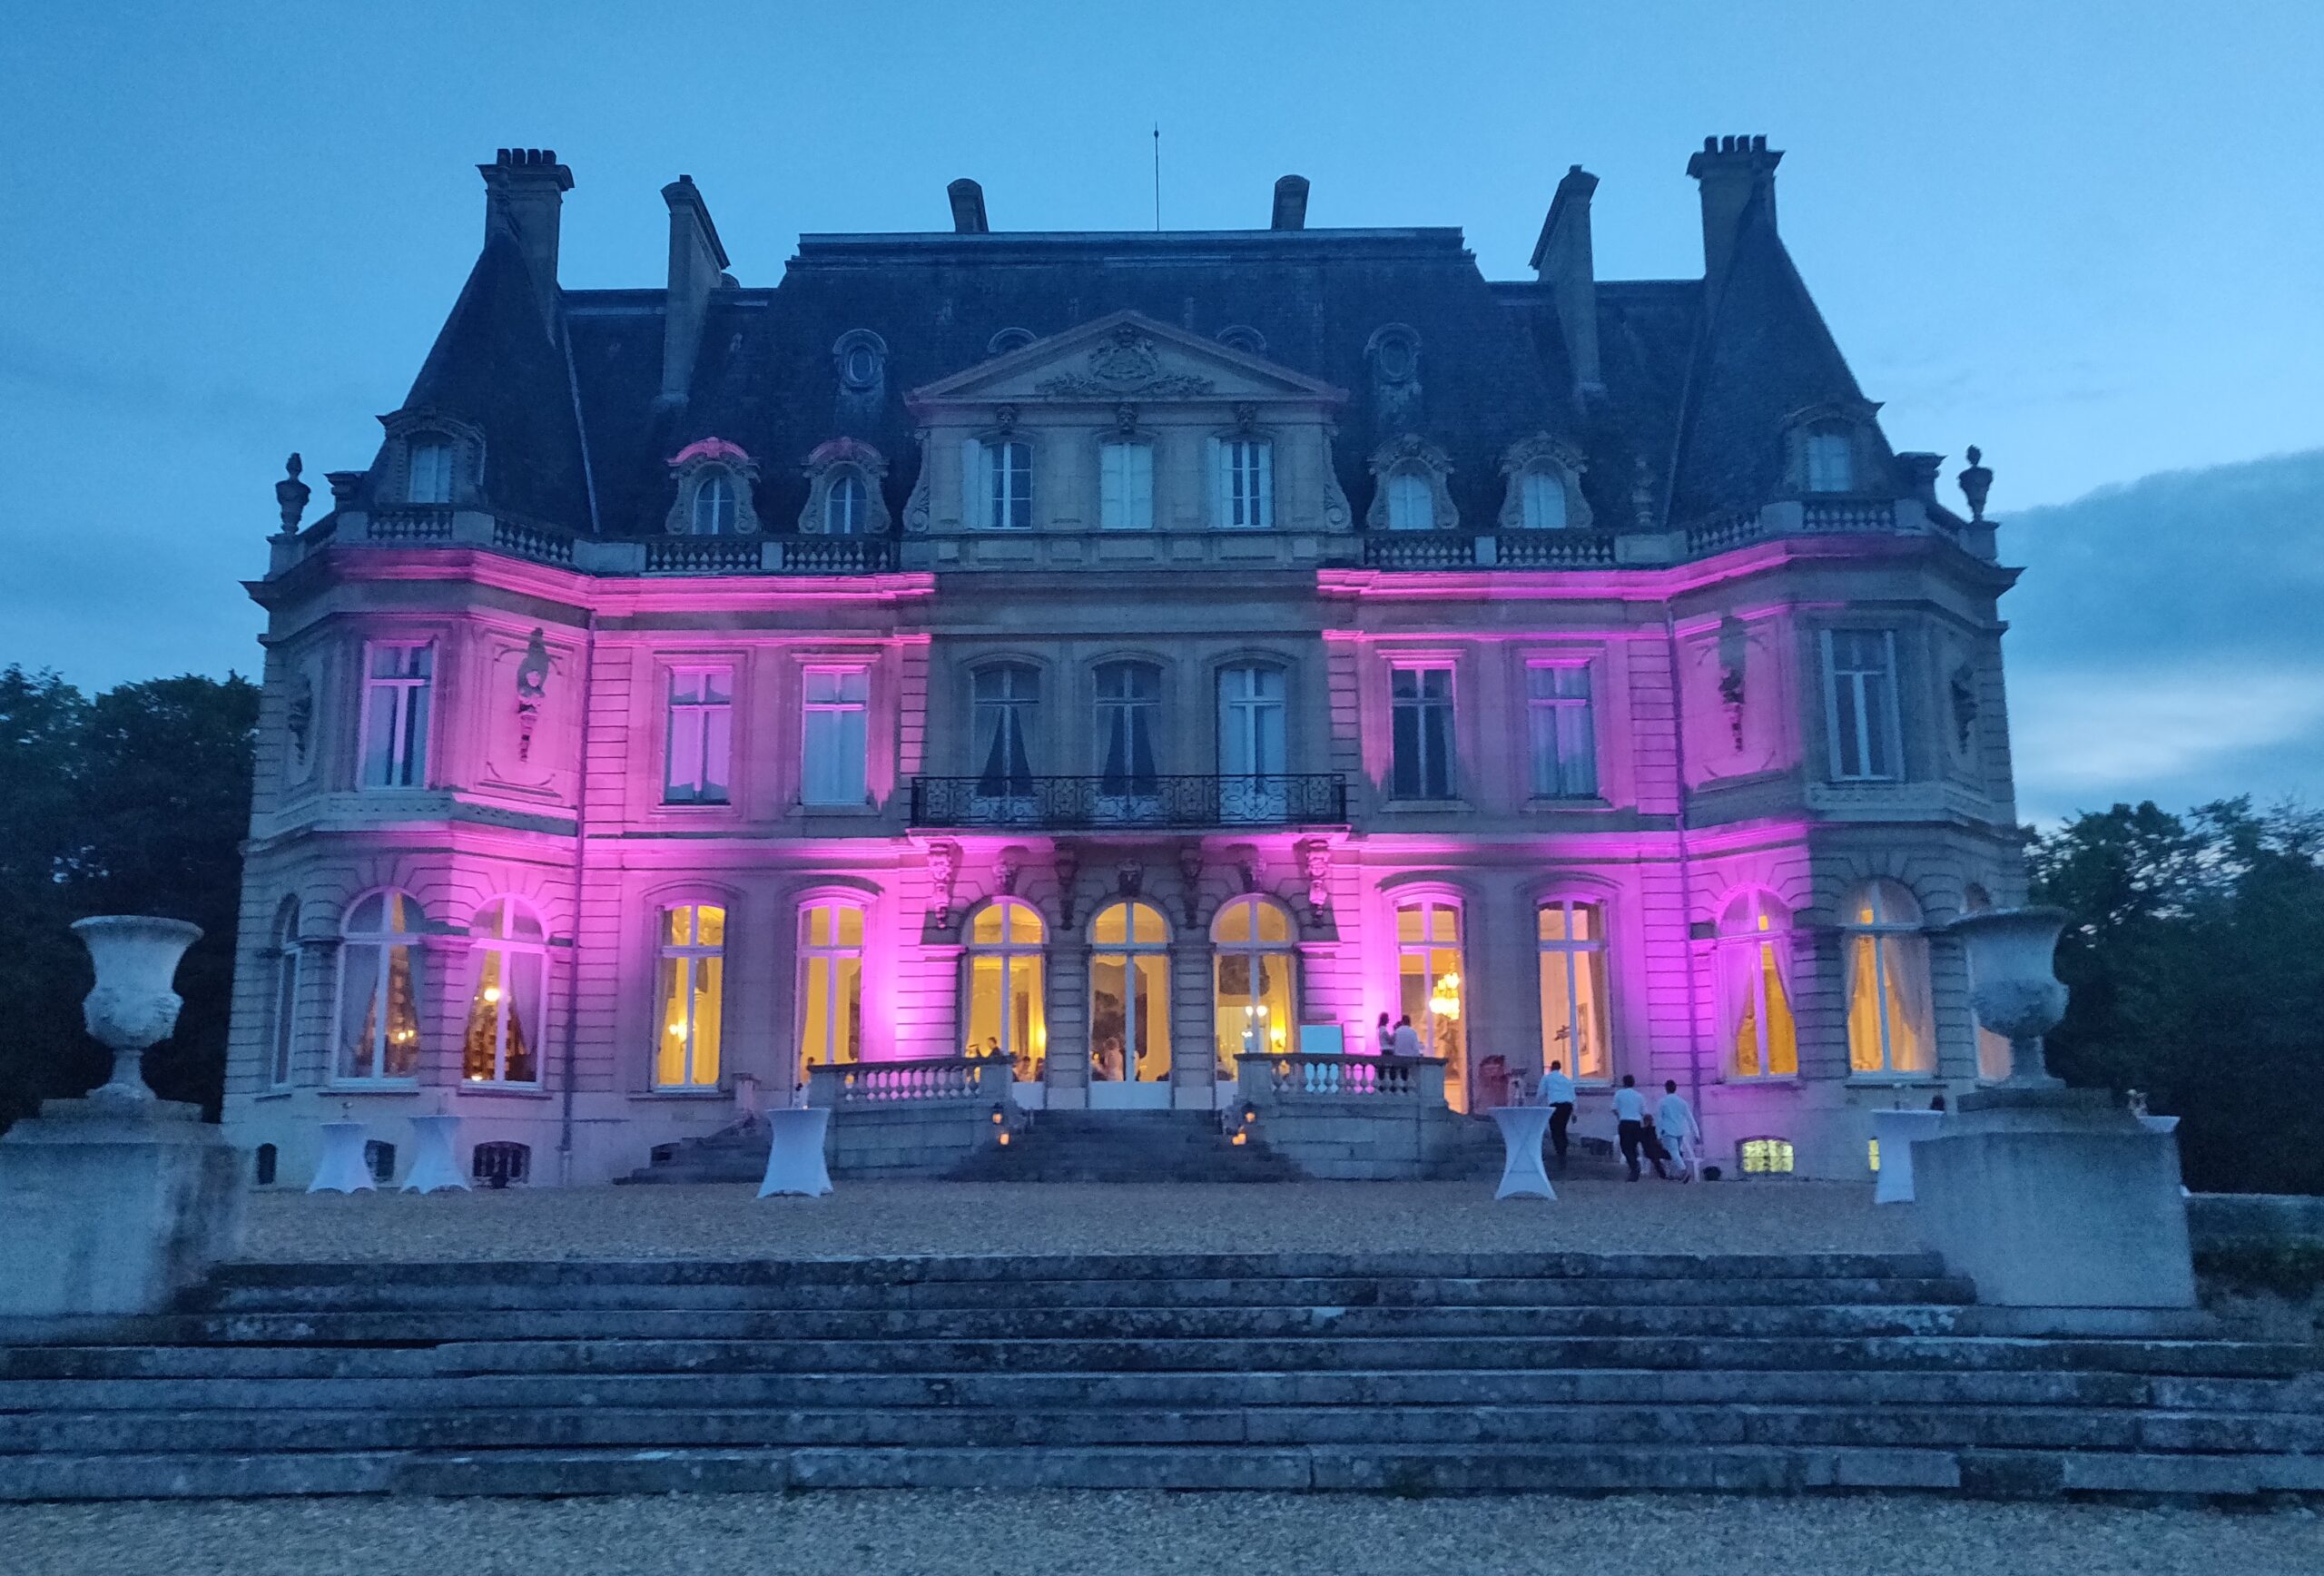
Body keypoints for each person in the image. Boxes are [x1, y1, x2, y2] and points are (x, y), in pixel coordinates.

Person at [1612, 1074, 1668, 1181]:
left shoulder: (1619, 1094)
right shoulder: (1639, 1096)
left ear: (1624, 1083)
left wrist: (1620, 1117)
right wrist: (1648, 1125)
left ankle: (1634, 1166)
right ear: (1633, 1083)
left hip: (1624, 1123)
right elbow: (1645, 1113)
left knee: (1626, 1148)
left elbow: (1614, 1108)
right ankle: (1641, 1168)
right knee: (1635, 1146)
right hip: (1636, 1124)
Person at [1655, 1079, 1700, 1183]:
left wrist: (1658, 1134)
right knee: (1677, 1152)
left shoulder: (1662, 1102)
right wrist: (1696, 1133)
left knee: (1673, 1152)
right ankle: (1673, 1173)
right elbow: (1690, 1118)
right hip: (1681, 1130)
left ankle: (1683, 1171)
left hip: (1668, 1130)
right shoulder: (1682, 1102)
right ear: (1675, 1089)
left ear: (1666, 1089)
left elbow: (1659, 1119)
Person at [1538, 1059, 1577, 1167]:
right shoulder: (1566, 1079)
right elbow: (1573, 1096)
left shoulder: (1547, 1078)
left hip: (1555, 1106)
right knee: (1562, 1128)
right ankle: (1563, 1149)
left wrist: (1537, 1105)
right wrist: (1574, 1113)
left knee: (1555, 1129)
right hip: (1567, 1106)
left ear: (1551, 1068)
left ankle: (1560, 1152)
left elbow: (1541, 1093)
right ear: (1560, 1068)